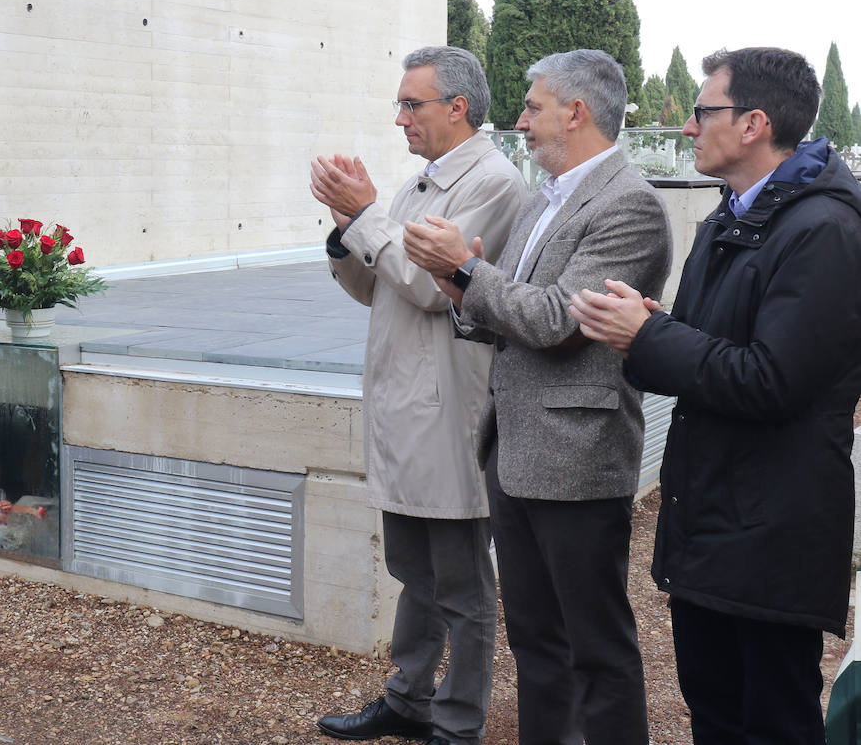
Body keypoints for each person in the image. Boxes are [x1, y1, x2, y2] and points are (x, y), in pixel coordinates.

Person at [569, 47, 861, 744]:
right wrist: (643, 331)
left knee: (772, 722)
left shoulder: (826, 230)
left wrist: (651, 337)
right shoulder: (732, 216)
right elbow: (703, 351)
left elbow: (770, 379)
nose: (690, 127)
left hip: (771, 530)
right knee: (717, 711)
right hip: (715, 522)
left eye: (705, 111)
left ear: (755, 123)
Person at [404, 49, 672, 745]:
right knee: (534, 644)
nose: (519, 119)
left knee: (597, 650)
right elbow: (505, 307)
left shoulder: (629, 205)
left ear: (575, 112)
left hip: (578, 461)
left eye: (532, 106)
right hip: (515, 450)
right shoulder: (539, 197)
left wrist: (464, 268)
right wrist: (461, 286)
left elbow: (557, 320)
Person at [309, 46, 524, 745]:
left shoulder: (492, 183)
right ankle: (408, 697)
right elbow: (375, 283)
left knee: (461, 583)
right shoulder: (420, 186)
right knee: (413, 569)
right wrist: (347, 230)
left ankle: (458, 724)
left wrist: (366, 213)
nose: (399, 116)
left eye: (412, 103)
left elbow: (436, 286)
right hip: (405, 408)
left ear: (456, 108)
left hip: (445, 413)